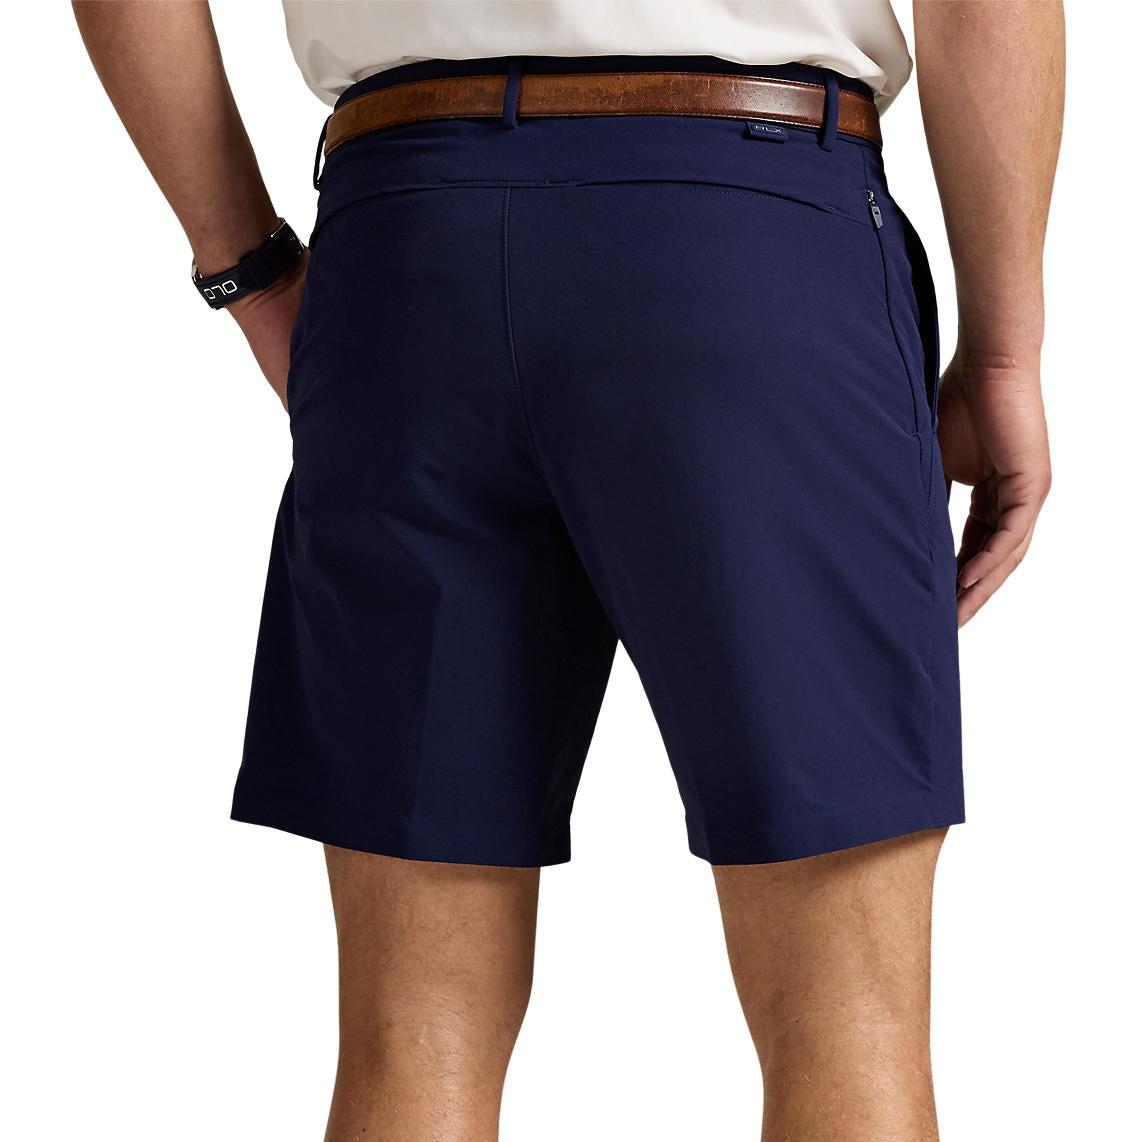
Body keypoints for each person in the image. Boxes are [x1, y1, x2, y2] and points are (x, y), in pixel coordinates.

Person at [74, 2, 1062, 1139]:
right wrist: (1003, 355)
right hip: (749, 241)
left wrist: (249, 271)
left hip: (407, 244)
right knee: (846, 1026)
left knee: (412, 1035)